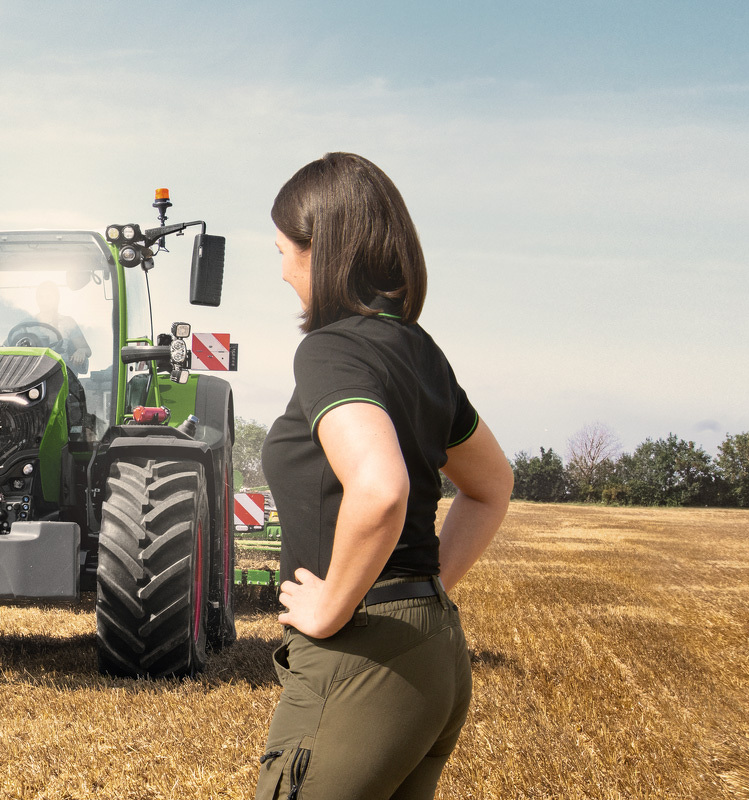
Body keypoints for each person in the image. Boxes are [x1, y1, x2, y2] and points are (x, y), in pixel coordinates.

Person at [252, 153, 513, 800]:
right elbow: (492, 485)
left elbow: (381, 487)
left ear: (322, 250)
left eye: (284, 249)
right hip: (433, 656)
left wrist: (334, 605)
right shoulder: (419, 351)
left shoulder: (330, 351)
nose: (282, 270)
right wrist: (425, 592)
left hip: (359, 655)